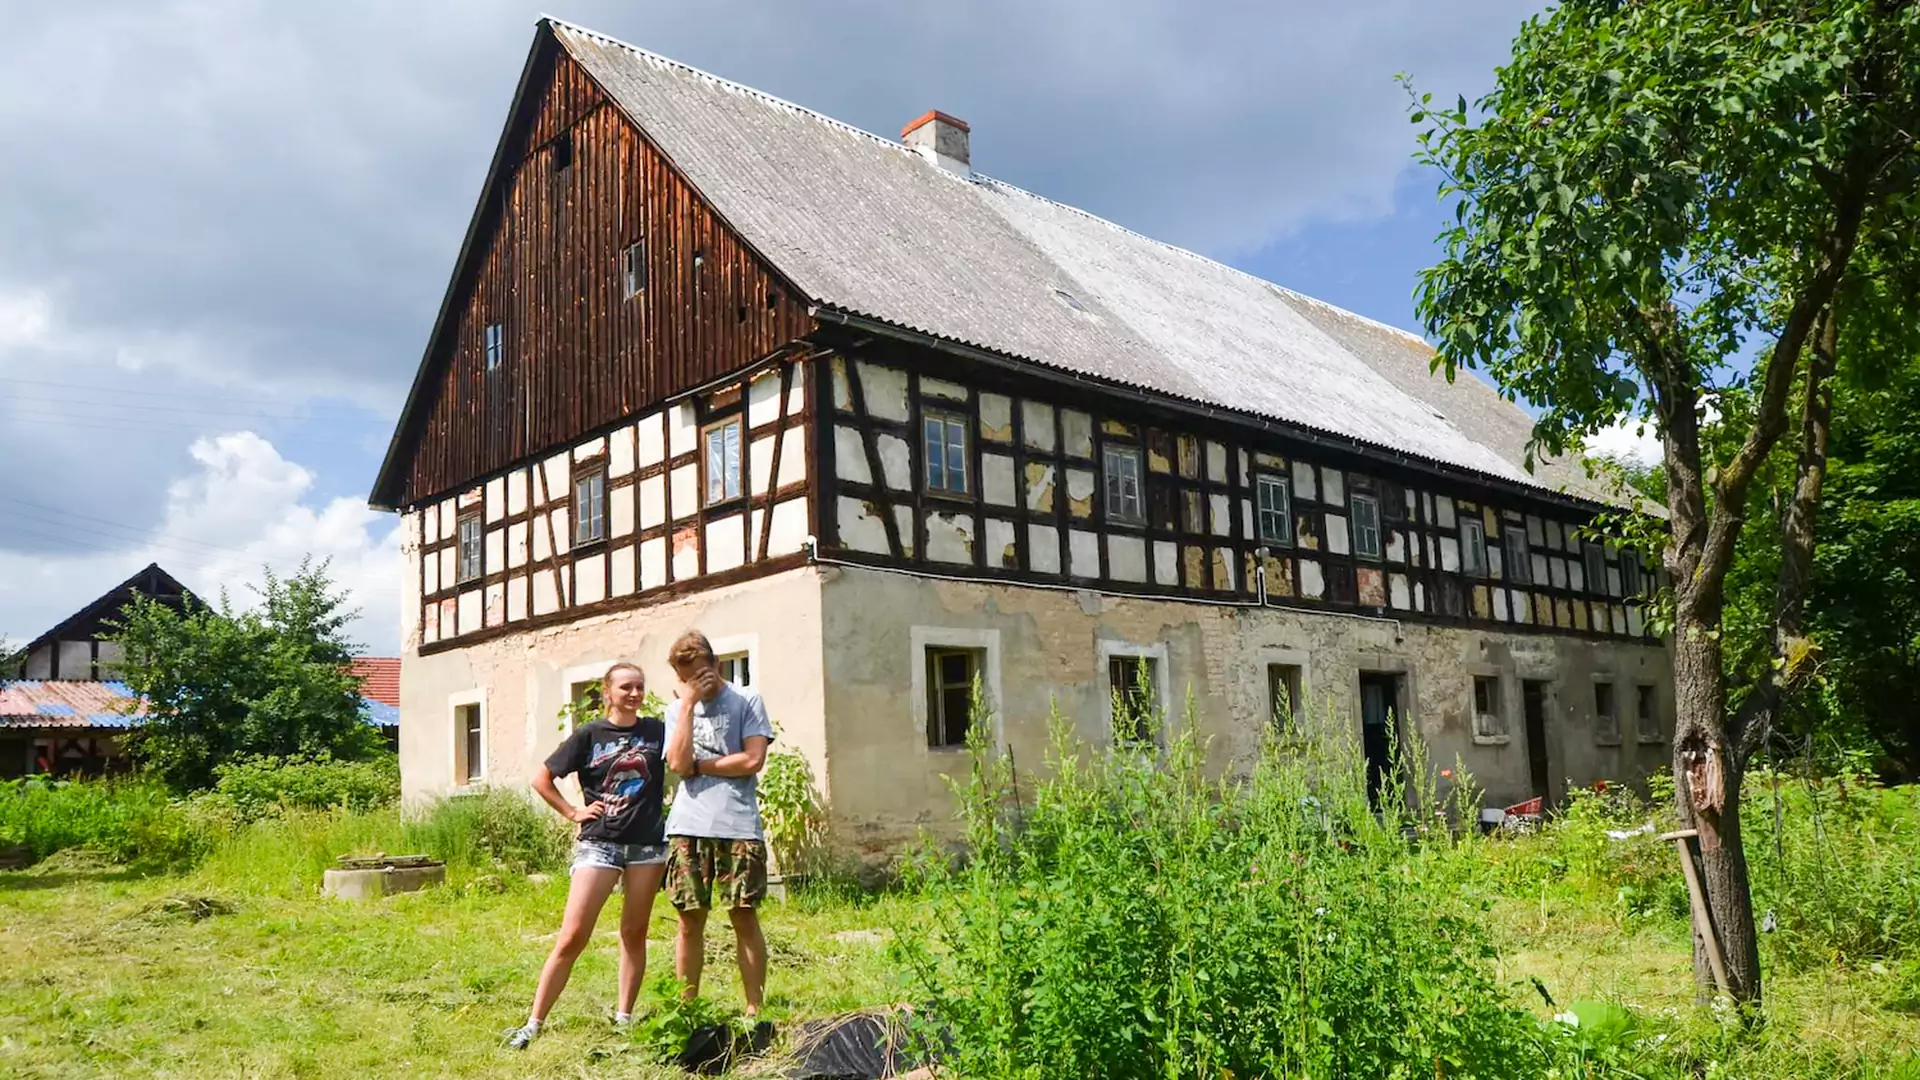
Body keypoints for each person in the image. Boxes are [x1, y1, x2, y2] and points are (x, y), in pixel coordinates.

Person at [505, 663, 667, 1050]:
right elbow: (541, 779)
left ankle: (624, 1019)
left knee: (634, 933)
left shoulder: (658, 731)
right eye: (626, 687)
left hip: (646, 846)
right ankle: (533, 1023)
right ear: (607, 692)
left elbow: (684, 758)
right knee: (572, 936)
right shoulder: (588, 735)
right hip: (601, 842)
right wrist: (573, 812)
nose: (634, 693)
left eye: (640, 687)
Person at [662, 630, 774, 1017]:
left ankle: (753, 1009)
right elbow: (677, 765)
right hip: (688, 826)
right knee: (689, 922)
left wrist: (702, 767)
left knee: (743, 916)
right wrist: (689, 706)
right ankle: (687, 1008)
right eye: (684, 678)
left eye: (698, 673)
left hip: (737, 824)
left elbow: (752, 759)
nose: (692, 683)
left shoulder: (747, 700)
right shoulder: (677, 711)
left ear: (715, 665)